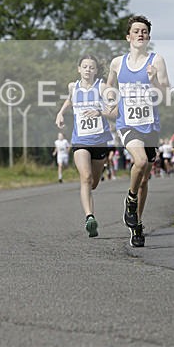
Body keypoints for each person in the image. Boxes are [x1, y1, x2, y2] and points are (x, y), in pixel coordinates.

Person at [106, 15, 171, 247]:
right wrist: (110, 101)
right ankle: (130, 200)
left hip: (150, 125)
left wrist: (154, 80)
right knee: (140, 162)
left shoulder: (157, 61)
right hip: (127, 124)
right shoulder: (117, 62)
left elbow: (165, 95)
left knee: (144, 180)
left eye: (144, 31)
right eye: (136, 31)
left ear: (149, 37)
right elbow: (108, 84)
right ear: (128, 37)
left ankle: (137, 225)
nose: (140, 34)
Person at [55, 55, 114, 237]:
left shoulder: (102, 88)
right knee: (86, 178)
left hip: (100, 141)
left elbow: (115, 112)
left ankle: (89, 206)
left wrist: (100, 112)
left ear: (96, 71)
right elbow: (70, 100)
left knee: (94, 183)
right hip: (80, 140)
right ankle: (90, 217)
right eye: (85, 66)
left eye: (92, 67)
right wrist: (61, 113)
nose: (88, 69)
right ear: (78, 69)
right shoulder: (73, 87)